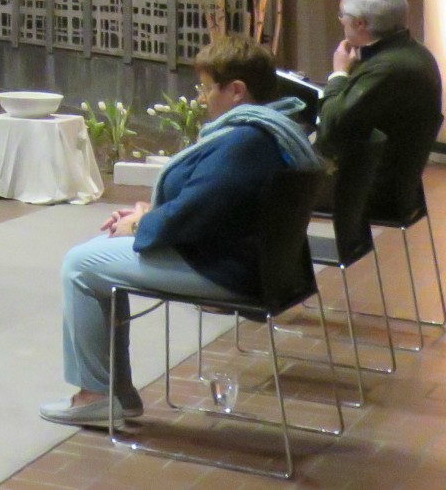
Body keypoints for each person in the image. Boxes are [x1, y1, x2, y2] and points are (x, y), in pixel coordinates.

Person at [42, 35, 321, 430]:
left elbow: (193, 213)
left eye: (208, 88)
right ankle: (114, 393)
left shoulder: (245, 142)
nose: (202, 98)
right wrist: (150, 212)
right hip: (259, 264)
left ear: (237, 90)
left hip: (227, 270)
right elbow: (211, 203)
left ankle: (99, 395)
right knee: (95, 256)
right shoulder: (276, 129)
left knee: (80, 264)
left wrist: (140, 223)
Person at [316, 0, 445, 221]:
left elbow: (329, 132)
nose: (340, 21)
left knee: (271, 187)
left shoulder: (388, 68)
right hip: (396, 185)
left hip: (370, 193)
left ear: (360, 24)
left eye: (342, 15)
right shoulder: (413, 51)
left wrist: (339, 73)